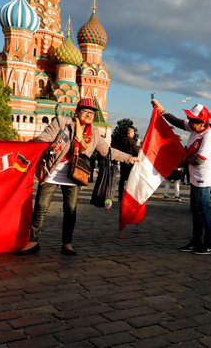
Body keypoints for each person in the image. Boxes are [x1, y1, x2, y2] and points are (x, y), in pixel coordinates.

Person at [17, 98, 139, 256]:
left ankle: (66, 243)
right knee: (41, 207)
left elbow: (107, 151)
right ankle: (33, 241)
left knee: (70, 210)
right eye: (85, 111)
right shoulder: (62, 122)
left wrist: (129, 158)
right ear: (77, 111)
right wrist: (49, 146)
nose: (89, 115)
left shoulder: (94, 133)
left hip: (74, 175)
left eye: (92, 112)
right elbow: (42, 138)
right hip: (51, 171)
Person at [152, 98, 211, 255]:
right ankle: (196, 241)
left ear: (202, 122)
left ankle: (210, 244)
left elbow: (199, 160)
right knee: (194, 210)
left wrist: (181, 158)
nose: (189, 121)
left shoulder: (208, 137)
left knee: (203, 210)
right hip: (195, 177)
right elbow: (177, 122)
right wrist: (161, 109)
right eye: (189, 117)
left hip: (203, 178)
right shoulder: (195, 128)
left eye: (192, 119)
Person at [115, 128, 140, 201]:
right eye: (133, 133)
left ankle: (120, 196)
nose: (134, 134)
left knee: (122, 180)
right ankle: (129, 196)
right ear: (129, 133)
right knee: (131, 180)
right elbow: (136, 152)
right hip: (131, 163)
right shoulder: (132, 141)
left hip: (123, 162)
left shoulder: (121, 140)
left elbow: (117, 150)